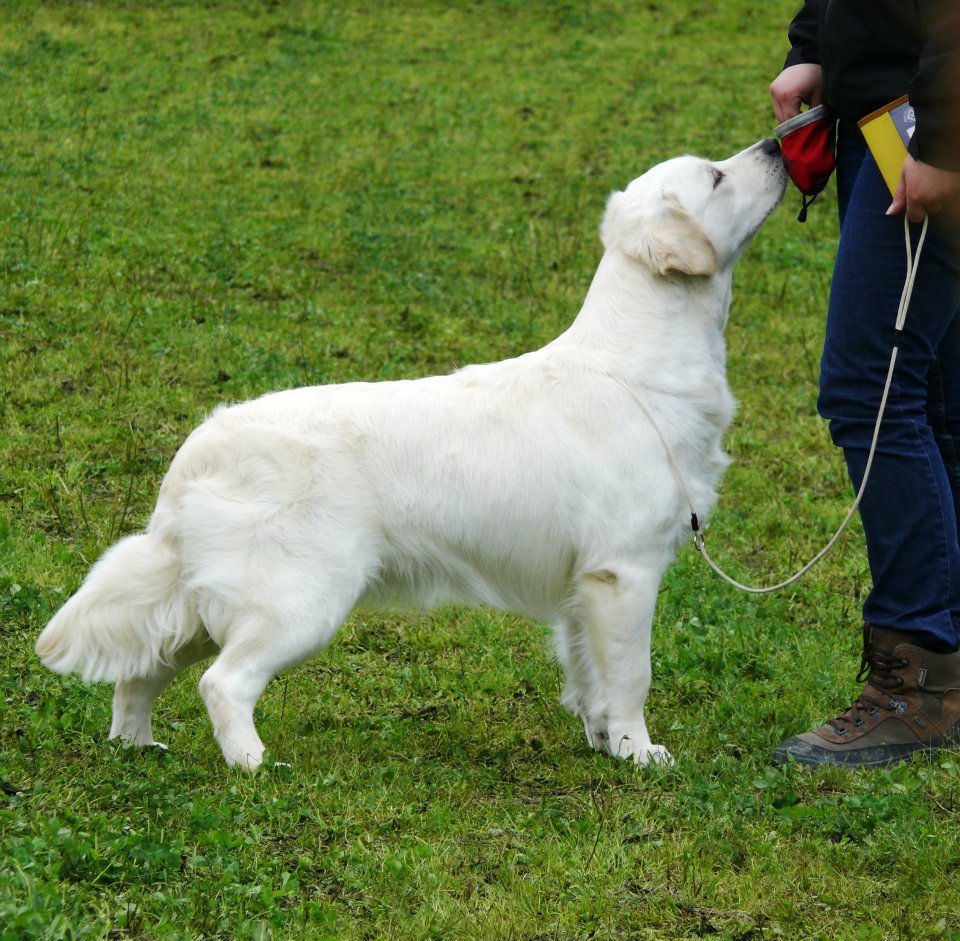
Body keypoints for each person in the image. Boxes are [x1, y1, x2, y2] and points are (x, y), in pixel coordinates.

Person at [768, 0, 960, 767]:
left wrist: (945, 139)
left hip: (924, 126)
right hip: (881, 118)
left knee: (869, 392)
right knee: (937, 399)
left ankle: (918, 684)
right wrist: (818, 42)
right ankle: (941, 662)